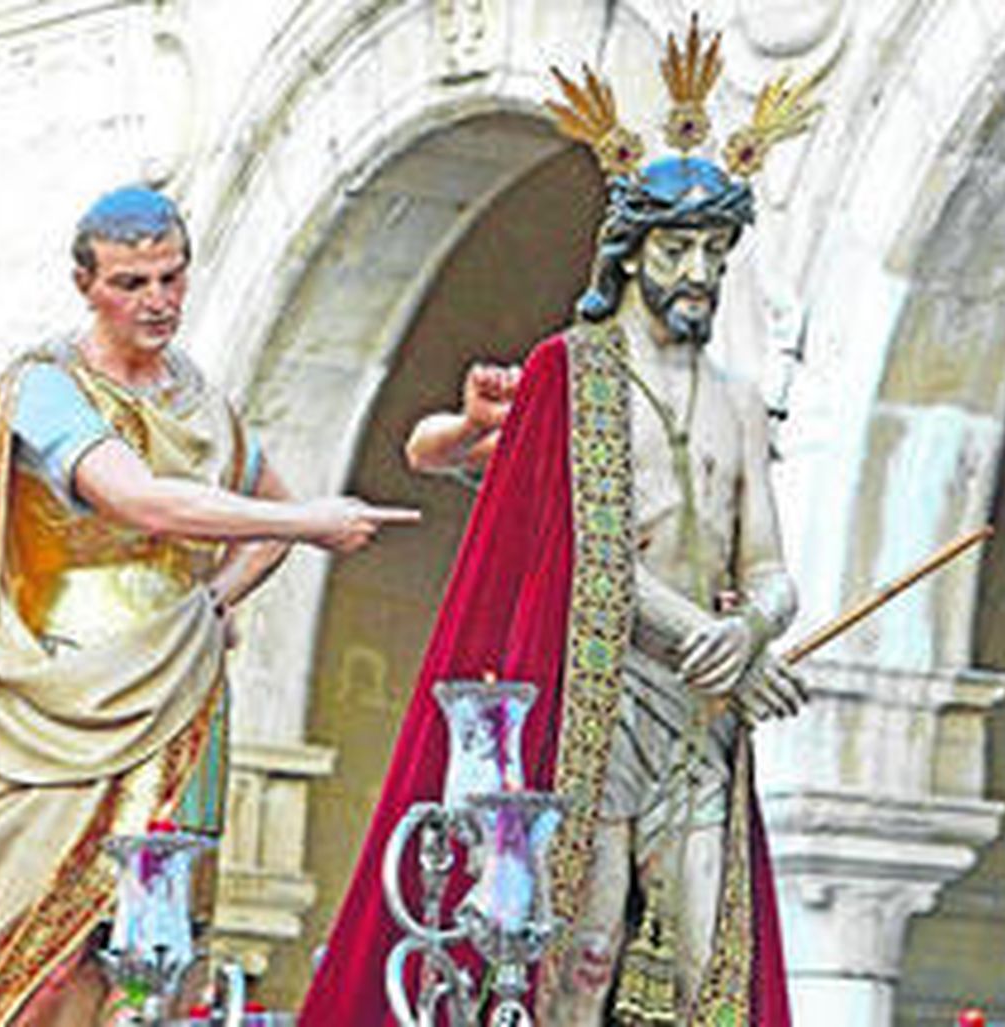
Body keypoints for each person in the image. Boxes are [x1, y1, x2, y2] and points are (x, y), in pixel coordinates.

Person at [304, 21, 818, 1026]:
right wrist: (714, 639)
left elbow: (769, 563)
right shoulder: (571, 376)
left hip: (698, 716)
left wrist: (751, 631)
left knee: (715, 953)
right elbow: (589, 555)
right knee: (579, 951)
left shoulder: (741, 399)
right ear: (630, 250)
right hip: (599, 695)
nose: (699, 272)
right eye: (677, 247)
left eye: (715, 249)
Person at [0, 186, 423, 1026]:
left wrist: (215, 602)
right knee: (38, 937)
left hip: (184, 684)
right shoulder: (47, 388)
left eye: (170, 277)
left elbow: (259, 511)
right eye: (131, 282)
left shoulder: (203, 402)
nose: (156, 300)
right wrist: (308, 523)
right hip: (66, 684)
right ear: (86, 284)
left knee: (160, 934)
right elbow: (145, 501)